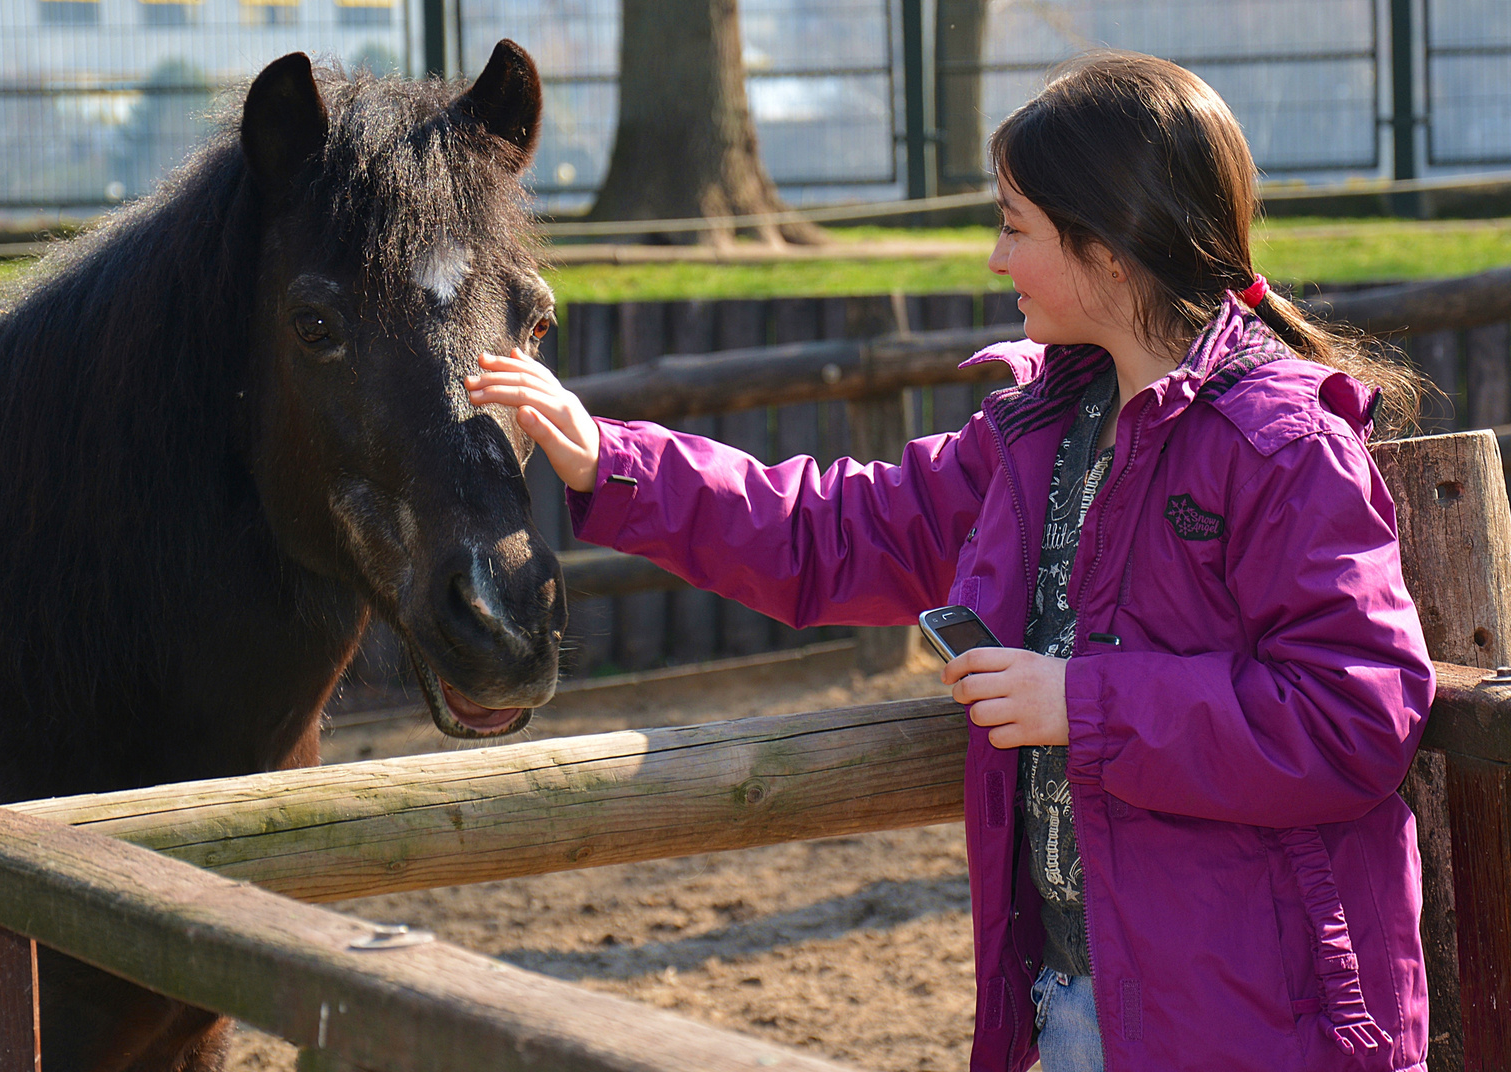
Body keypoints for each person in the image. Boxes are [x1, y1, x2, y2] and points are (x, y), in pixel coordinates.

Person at [466, 51, 1435, 1072]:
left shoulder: (1282, 446)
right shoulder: (1038, 434)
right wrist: (610, 460)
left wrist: (1081, 703)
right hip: (1076, 1002)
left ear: (1105, 251)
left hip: (1254, 1031)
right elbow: (831, 531)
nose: (993, 259)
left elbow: (1355, 715)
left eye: (1014, 226)